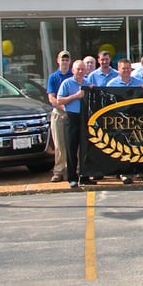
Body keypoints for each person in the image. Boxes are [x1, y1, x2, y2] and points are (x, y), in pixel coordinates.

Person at [105, 58, 143, 184]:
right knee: (123, 147)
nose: (126, 71)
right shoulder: (111, 84)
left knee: (139, 145)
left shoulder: (139, 83)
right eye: (123, 68)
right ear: (118, 69)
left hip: (137, 120)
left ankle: (141, 172)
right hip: (120, 120)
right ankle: (125, 173)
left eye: (128, 68)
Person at [56, 60, 89, 189]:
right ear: (73, 70)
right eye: (78, 69)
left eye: (82, 69)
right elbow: (59, 100)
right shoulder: (67, 83)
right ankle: (72, 178)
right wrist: (75, 96)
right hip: (71, 117)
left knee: (85, 148)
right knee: (71, 148)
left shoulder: (88, 83)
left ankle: (85, 176)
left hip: (85, 118)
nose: (80, 71)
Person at [45, 50, 73, 183]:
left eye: (67, 60)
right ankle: (58, 171)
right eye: (63, 59)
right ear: (58, 60)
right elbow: (51, 97)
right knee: (59, 144)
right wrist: (63, 107)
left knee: (73, 144)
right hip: (59, 112)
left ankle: (73, 170)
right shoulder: (53, 77)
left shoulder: (73, 76)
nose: (65, 62)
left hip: (72, 113)